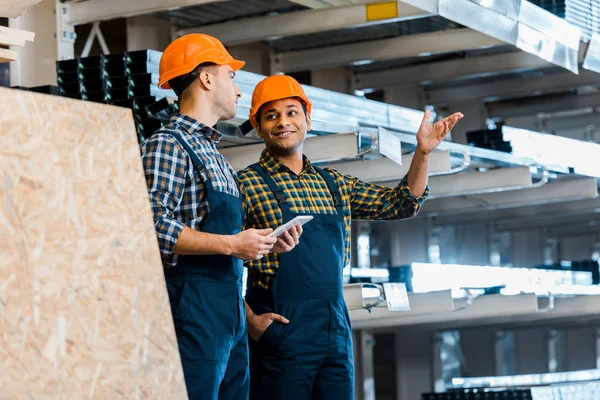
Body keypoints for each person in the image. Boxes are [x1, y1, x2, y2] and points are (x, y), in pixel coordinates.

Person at [238, 74, 463, 400]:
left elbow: (401, 204)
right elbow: (221, 262)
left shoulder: (334, 184)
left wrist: (423, 154)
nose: (283, 122)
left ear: (307, 120)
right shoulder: (245, 185)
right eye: (271, 115)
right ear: (258, 127)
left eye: (291, 112)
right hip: (280, 330)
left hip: (335, 329)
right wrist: (252, 322)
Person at [141, 35, 300, 400]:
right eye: (231, 76)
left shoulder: (216, 155)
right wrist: (231, 244)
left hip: (228, 313)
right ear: (207, 79)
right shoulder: (168, 144)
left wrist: (263, 244)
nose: (239, 92)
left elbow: (218, 234)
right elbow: (152, 226)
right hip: (190, 311)